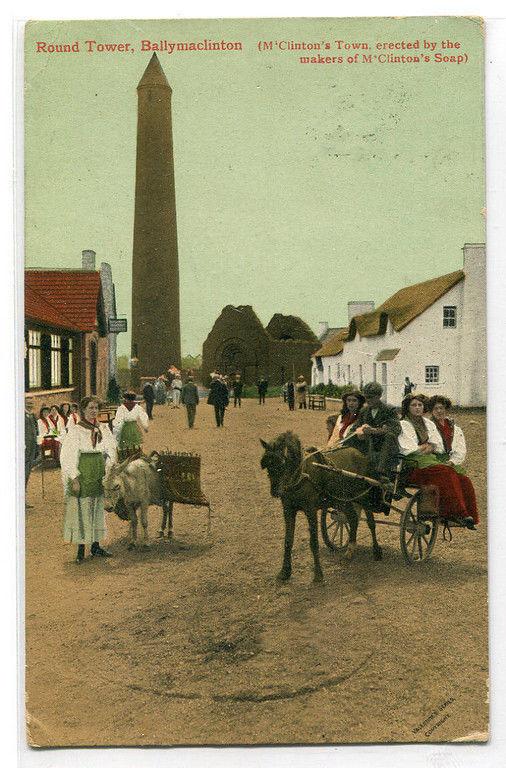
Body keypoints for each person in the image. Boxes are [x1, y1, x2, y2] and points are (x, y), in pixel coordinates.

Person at [398, 394, 478, 528]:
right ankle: (456, 513)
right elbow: (408, 448)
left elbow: (436, 445)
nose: (417, 408)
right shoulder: (404, 424)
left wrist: (429, 446)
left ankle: (469, 517)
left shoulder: (427, 423)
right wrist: (423, 447)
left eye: (420, 405)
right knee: (445, 471)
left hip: (428, 461)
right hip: (412, 465)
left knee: (463, 479)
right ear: (407, 408)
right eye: (413, 405)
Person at [60, 396, 118, 563]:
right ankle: (80, 549)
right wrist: (74, 478)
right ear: (83, 410)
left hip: (98, 470)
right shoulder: (77, 430)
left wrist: (109, 466)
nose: (94, 411)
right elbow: (68, 455)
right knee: (82, 508)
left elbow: (111, 448)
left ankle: (96, 546)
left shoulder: (103, 428)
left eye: (96, 408)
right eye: (90, 408)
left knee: (97, 507)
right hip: (84, 470)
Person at [347, 381, 401, 481]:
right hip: (368, 444)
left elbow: (396, 428)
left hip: (385, 446)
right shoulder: (364, 411)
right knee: (349, 437)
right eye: (366, 397)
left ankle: (380, 471)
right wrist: (359, 432)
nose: (368, 400)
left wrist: (374, 431)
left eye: (371, 397)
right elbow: (355, 428)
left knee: (390, 436)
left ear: (379, 396)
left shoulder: (389, 410)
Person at [25, 396, 40, 495]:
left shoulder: (33, 415)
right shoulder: (20, 415)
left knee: (27, 473)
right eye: (28, 403)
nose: (30, 405)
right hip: (24, 449)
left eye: (31, 403)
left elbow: (36, 431)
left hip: (32, 448)